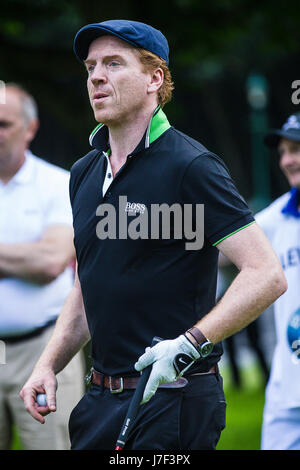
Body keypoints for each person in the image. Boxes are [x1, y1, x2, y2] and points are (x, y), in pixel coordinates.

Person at [20, 20, 287, 451]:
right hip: (98, 401)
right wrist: (47, 364)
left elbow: (266, 273)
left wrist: (189, 344)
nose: (96, 77)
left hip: (174, 399)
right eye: (90, 67)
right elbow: (89, 283)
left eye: (113, 64)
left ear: (154, 78)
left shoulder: (192, 166)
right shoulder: (84, 173)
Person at [0, 83, 85, 450]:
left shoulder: (57, 184)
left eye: (3, 124)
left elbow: (52, 261)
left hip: (44, 350)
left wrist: (37, 258)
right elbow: (39, 258)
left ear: (30, 128)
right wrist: (21, 257)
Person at [255, 113, 300, 450]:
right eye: (283, 151)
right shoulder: (278, 215)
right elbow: (225, 245)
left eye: (296, 149)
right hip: (287, 389)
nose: (287, 161)